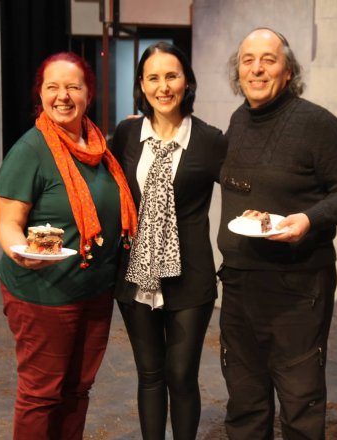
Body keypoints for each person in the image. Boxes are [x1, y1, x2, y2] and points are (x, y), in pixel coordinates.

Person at [216, 28, 337, 440]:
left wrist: (308, 220)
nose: (257, 69)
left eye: (269, 59)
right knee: (244, 399)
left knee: (300, 401)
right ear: (238, 72)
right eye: (248, 60)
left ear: (289, 70)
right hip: (240, 283)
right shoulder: (239, 120)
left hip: (298, 287)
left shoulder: (316, 123)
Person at [0, 52, 138, 440]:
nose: (63, 96)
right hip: (44, 294)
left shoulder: (99, 148)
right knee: (41, 394)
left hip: (94, 292)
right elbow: (8, 224)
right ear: (40, 94)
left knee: (77, 390)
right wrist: (21, 252)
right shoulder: (30, 150)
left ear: (88, 94)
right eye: (53, 87)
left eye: (73, 87)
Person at [110, 42, 228, 440]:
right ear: (142, 85)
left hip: (190, 278)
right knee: (149, 375)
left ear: (187, 82)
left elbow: (243, 186)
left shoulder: (209, 140)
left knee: (180, 375)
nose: (163, 87)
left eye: (172, 76)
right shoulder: (126, 134)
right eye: (153, 78)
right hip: (136, 275)